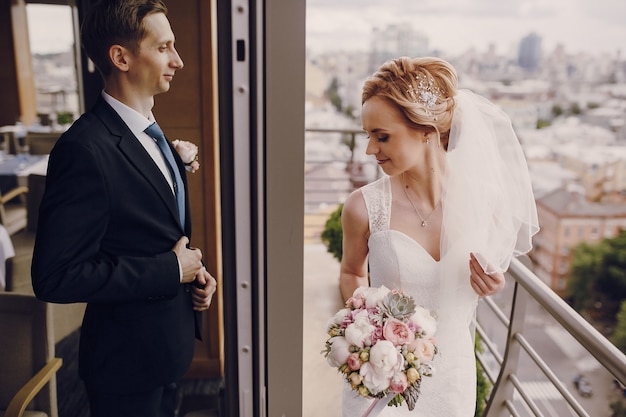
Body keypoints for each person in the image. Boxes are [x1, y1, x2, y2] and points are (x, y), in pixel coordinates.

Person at [30, 1, 217, 416]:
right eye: (164, 47)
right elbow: (54, 277)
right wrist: (170, 270)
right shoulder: (83, 150)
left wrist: (191, 275)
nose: (178, 61)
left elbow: (150, 233)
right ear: (121, 57)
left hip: (168, 349)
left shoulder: (150, 130)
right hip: (125, 366)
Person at [339, 57, 539, 416]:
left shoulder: (486, 200)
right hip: (383, 376)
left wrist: (491, 283)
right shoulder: (362, 207)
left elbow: (487, 274)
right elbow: (352, 272)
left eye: (382, 136)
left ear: (426, 131)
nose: (371, 149)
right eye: (368, 136)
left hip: (452, 377)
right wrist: (365, 332)